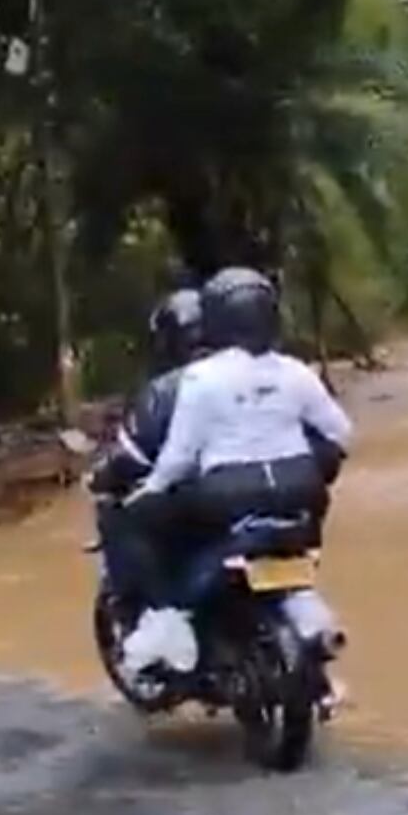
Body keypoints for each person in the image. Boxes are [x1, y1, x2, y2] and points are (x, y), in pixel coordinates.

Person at [121, 266, 354, 674]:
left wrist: (152, 489)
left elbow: (179, 456)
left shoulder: (201, 378)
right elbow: (340, 432)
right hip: (302, 493)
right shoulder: (296, 371)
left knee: (140, 517)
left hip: (228, 495)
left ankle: (170, 617)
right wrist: (311, 466)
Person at [90, 285, 207, 605]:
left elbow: (131, 456)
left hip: (201, 501)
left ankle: (160, 612)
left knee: (123, 515)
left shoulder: (165, 390)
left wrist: (102, 475)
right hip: (266, 495)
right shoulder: (254, 372)